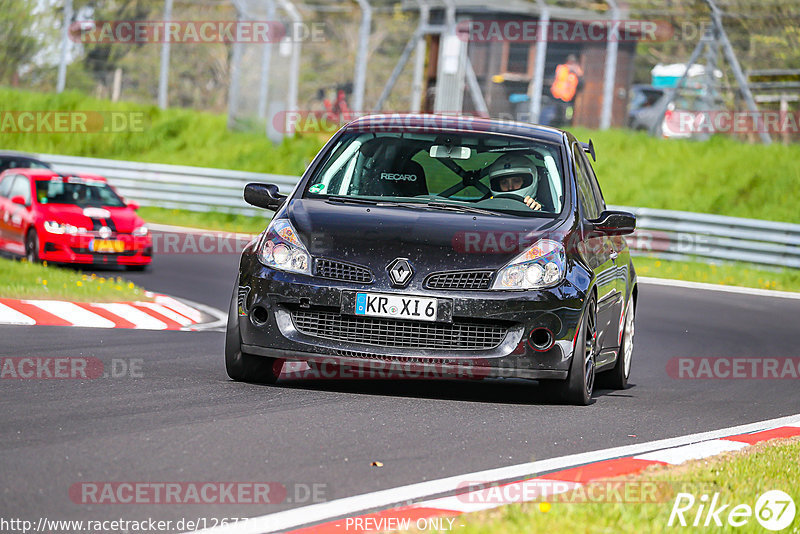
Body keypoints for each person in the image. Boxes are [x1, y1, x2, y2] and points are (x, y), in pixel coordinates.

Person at [550, 54, 584, 126]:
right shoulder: (561, 69)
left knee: (567, 117)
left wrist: (579, 74)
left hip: (569, 99)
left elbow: (581, 85)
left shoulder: (576, 73)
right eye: (570, 63)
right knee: (556, 116)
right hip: (557, 97)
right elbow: (553, 79)